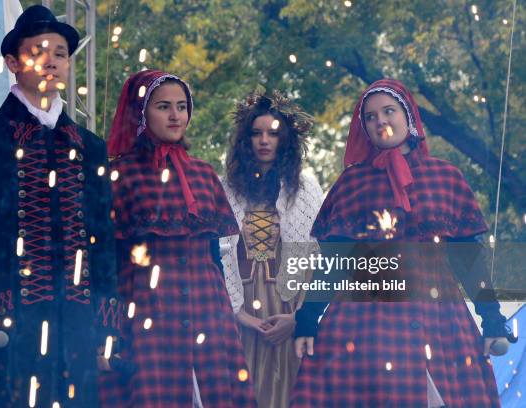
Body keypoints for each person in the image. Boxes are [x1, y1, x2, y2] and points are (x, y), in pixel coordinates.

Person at [291, 79, 511, 407]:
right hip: (366, 321)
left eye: (388, 111)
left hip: (438, 318)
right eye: (370, 117)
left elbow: (468, 259)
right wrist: (307, 319)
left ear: (408, 116)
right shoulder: (353, 182)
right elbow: (334, 261)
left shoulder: (445, 176)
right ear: (364, 128)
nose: (381, 121)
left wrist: (492, 319)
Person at [0, 6, 118, 407]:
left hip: (76, 328)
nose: (52, 60)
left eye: (60, 52)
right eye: (39, 50)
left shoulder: (90, 148)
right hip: (0, 323)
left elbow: (103, 243)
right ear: (12, 62)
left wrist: (107, 328)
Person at [100, 69, 256, 407]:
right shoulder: (117, 174)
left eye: (182, 106)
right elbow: (105, 261)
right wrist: (106, 328)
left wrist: (226, 309)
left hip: (206, 304)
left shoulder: (203, 173)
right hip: (147, 308)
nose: (175, 115)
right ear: (140, 112)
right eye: (163, 106)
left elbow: (216, 252)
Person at [220, 90, 323, 407]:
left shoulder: (305, 189)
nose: (264, 140)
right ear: (245, 139)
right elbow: (218, 255)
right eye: (256, 132)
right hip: (241, 309)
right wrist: (241, 316)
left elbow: (318, 259)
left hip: (290, 308)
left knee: (290, 390)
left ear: (285, 140)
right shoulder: (226, 187)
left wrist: (297, 318)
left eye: (273, 133)